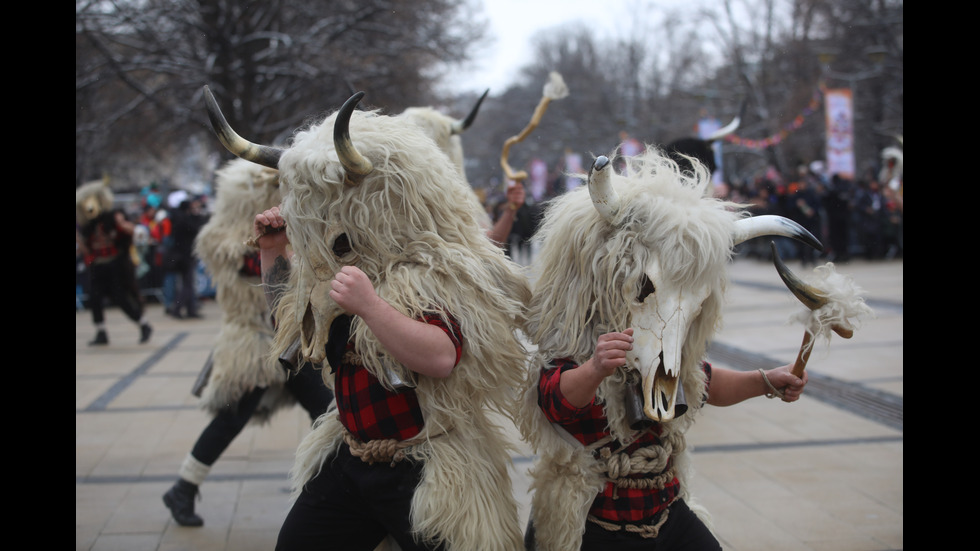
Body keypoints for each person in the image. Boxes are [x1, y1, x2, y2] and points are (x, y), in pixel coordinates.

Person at [162, 161, 334, 527]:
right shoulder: (219, 236)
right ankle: (184, 487)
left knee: (328, 414)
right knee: (231, 419)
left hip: (291, 339)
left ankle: (339, 493)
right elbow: (235, 260)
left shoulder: (295, 226)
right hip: (253, 341)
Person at [75, 180, 152, 345]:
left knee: (121, 298)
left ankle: (143, 324)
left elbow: (130, 230)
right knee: (94, 298)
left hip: (116, 264)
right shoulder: (87, 226)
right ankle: (101, 331)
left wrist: (127, 226)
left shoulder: (112, 217)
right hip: (98, 265)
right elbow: (87, 251)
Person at [163, 196, 208, 318]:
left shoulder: (178, 218)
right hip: (185, 257)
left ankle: (190, 309)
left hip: (182, 256)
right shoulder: (184, 220)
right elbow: (196, 228)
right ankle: (177, 308)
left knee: (187, 284)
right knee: (187, 285)